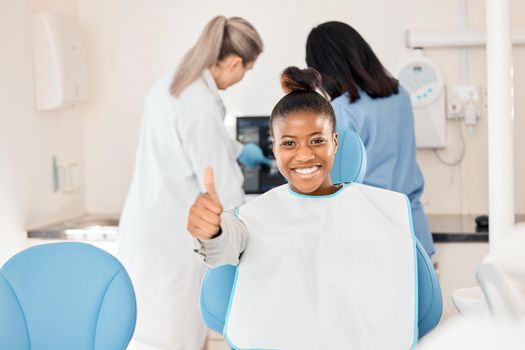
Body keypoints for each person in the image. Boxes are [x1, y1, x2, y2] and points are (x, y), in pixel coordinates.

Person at [188, 67, 418, 349]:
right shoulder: (253, 216)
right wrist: (213, 231)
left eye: (317, 140)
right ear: (275, 150)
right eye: (289, 143)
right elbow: (226, 245)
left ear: (334, 142)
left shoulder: (385, 212)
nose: (304, 154)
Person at [118, 16, 265, 350]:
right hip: (173, 244)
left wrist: (242, 150)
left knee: (156, 336)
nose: (243, 77)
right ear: (235, 62)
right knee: (182, 338)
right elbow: (224, 190)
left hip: (149, 232)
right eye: (248, 70)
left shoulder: (173, 84)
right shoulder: (198, 104)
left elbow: (202, 145)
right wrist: (259, 226)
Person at [305, 21, 435, 256]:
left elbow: (335, 185)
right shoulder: (400, 95)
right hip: (415, 231)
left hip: (371, 236)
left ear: (323, 70)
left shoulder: (341, 109)